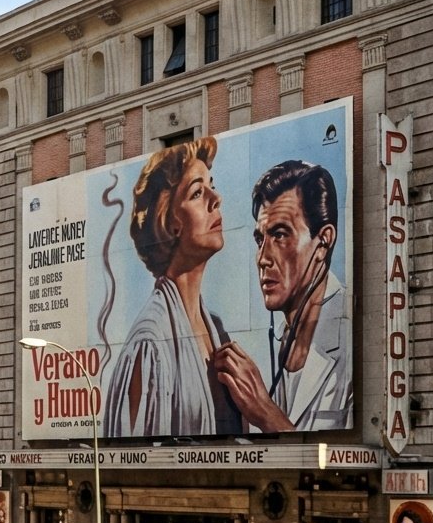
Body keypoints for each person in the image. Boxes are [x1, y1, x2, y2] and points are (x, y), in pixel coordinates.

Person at [104, 137, 239, 437]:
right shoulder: (150, 342)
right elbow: (138, 459)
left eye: (211, 184)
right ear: (170, 222)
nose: (216, 198)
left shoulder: (216, 328)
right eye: (197, 193)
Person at [213, 159, 351, 431]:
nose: (263, 258)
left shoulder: (355, 336)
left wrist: (265, 413)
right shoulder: (263, 348)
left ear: (323, 242)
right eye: (259, 240)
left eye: (279, 235)